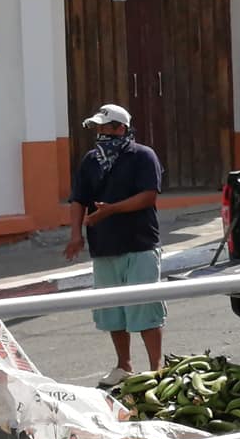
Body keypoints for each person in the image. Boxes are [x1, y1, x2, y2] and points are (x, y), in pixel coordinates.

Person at [64, 104, 166, 386]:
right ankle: (124, 366)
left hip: (140, 244)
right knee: (113, 311)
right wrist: (76, 235)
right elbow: (78, 199)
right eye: (97, 128)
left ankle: (157, 370)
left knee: (145, 309)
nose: (100, 133)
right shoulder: (91, 160)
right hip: (104, 246)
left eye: (105, 127)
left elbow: (148, 196)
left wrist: (111, 210)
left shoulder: (143, 155)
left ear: (121, 128)